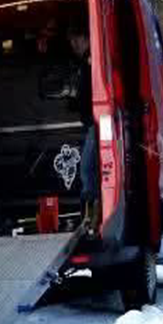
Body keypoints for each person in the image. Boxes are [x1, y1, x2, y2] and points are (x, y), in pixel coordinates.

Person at [68, 26, 100, 233]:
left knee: (87, 171)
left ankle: (91, 216)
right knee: (89, 170)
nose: (75, 45)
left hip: (96, 124)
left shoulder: (92, 61)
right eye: (72, 42)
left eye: (78, 40)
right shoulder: (83, 64)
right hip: (90, 123)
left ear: (88, 38)